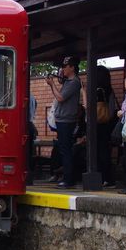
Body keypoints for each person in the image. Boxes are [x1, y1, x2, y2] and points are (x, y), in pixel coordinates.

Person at [45, 56, 82, 188]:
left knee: (66, 150)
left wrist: (52, 84)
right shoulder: (68, 81)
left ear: (72, 67)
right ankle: (67, 178)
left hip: (67, 120)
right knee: (63, 149)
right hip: (63, 120)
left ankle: (68, 180)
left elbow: (60, 97)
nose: (63, 69)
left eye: (65, 66)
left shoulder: (74, 82)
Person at [96, 65, 118, 187]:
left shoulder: (96, 90)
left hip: (97, 124)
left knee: (99, 152)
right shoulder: (109, 90)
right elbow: (111, 108)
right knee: (105, 152)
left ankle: (102, 177)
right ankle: (108, 178)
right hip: (107, 124)